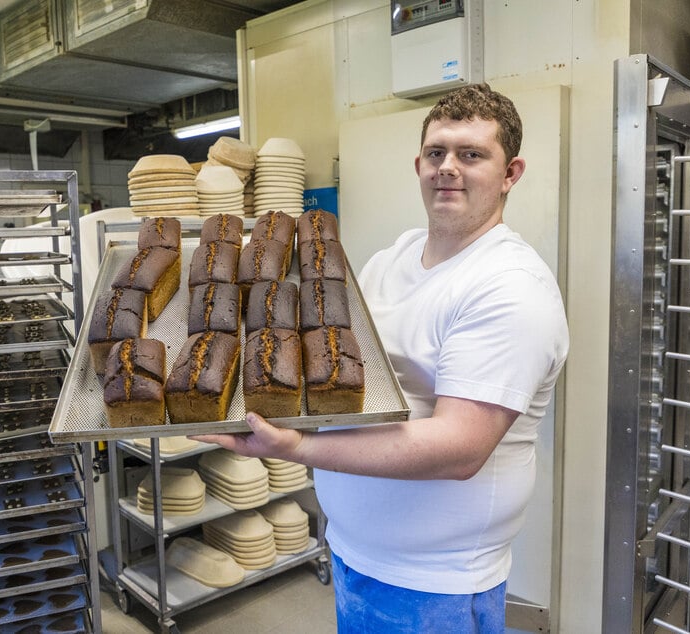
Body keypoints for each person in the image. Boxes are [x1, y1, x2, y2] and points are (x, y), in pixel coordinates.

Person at [192, 83, 570, 633]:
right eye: (437, 153)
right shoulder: (396, 256)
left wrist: (297, 447)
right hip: (354, 556)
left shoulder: (509, 288)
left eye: (471, 155)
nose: (448, 168)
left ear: (511, 173)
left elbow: (458, 449)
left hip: (433, 584)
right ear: (419, 163)